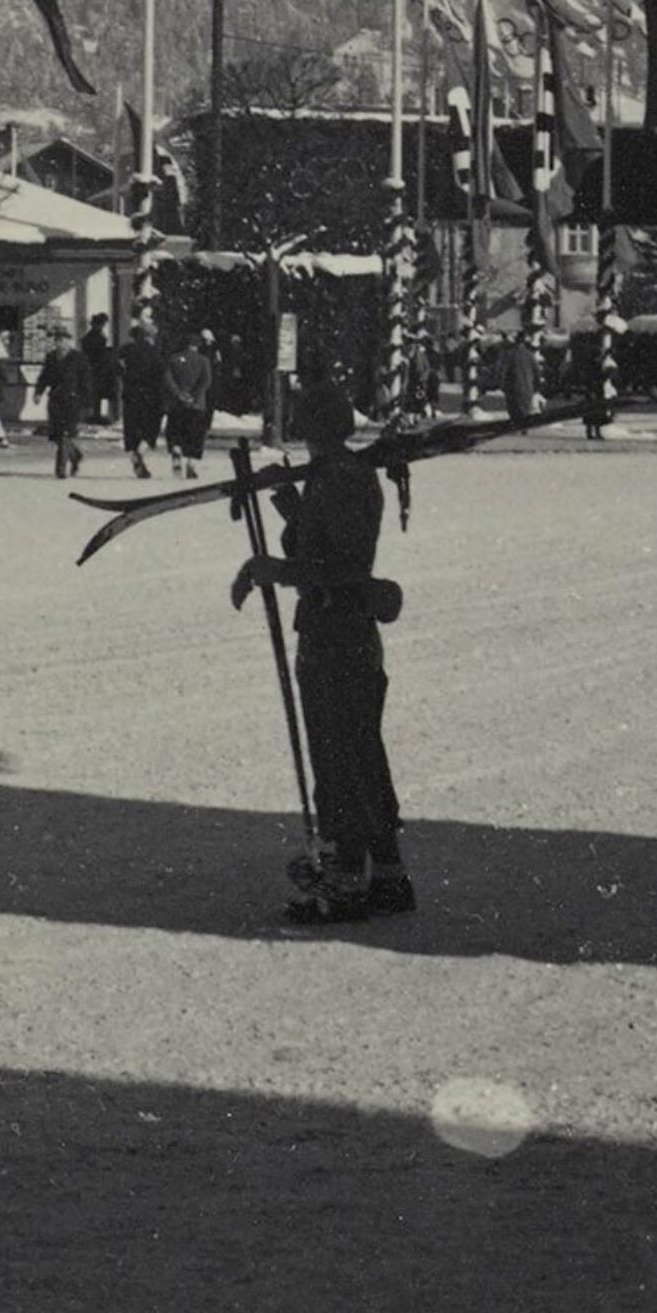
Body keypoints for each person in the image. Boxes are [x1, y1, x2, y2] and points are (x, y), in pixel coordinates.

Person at [233, 377, 411, 925]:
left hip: (339, 634)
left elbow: (341, 565)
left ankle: (349, 883)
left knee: (341, 761)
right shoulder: (337, 474)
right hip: (339, 632)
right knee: (359, 756)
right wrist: (288, 502)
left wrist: (275, 570)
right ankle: (387, 877)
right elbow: (324, 539)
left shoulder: (341, 478)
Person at [37, 324, 91, 480]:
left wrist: (87, 403)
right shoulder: (51, 357)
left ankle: (60, 470)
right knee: (56, 435)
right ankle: (75, 455)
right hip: (55, 400)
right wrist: (38, 392)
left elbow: (86, 381)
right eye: (57, 340)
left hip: (72, 401)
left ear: (69, 341)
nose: (59, 343)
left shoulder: (79, 358)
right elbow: (44, 377)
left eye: (62, 340)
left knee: (65, 435)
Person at [116, 319, 166, 480]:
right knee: (150, 427)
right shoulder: (154, 352)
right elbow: (160, 375)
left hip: (130, 394)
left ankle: (134, 455)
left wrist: (125, 377)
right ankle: (141, 450)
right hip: (150, 396)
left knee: (132, 427)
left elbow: (116, 367)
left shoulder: (125, 350)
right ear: (150, 336)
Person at [163, 328, 215, 479]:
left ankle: (176, 449)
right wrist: (194, 396)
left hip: (176, 404)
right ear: (197, 345)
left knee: (175, 431)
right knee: (195, 435)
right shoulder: (203, 360)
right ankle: (191, 464)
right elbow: (206, 381)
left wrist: (179, 394)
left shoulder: (173, 359)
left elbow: (168, 379)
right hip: (196, 405)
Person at [79, 312, 116, 425]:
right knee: (97, 393)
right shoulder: (96, 337)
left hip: (95, 368)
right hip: (97, 369)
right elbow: (98, 353)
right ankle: (95, 415)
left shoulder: (91, 336)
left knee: (97, 394)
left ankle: (95, 415)